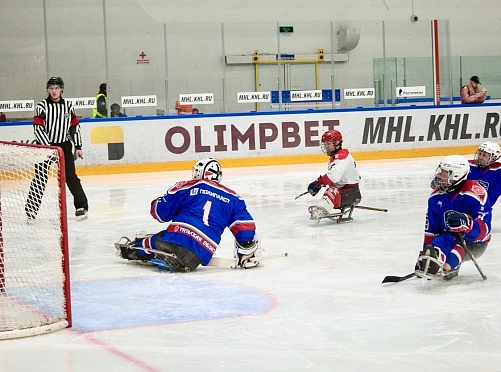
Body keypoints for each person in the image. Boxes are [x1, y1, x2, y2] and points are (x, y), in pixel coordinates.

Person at [116, 158, 260, 272]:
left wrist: (156, 203)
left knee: (156, 239)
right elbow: (245, 231)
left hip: (174, 238)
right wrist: (246, 250)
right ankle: (179, 253)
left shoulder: (186, 186)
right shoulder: (234, 198)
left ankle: (132, 249)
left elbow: (160, 214)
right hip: (201, 253)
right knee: (176, 243)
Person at [415, 155, 491, 280]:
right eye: (440, 170)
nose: (439, 175)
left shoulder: (475, 193)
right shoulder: (435, 197)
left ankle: (448, 265)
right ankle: (434, 259)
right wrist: (425, 253)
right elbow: (432, 231)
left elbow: (485, 231)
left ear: (456, 175)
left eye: (445, 173)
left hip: (476, 243)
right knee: (442, 241)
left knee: (458, 244)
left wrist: (468, 224)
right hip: (449, 238)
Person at [25, 77, 89, 221]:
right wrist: (48, 147)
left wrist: (78, 146)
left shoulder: (68, 106)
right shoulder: (41, 106)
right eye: (51, 88)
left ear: (61, 89)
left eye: (56, 88)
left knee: (71, 177)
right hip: (45, 146)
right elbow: (38, 128)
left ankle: (81, 206)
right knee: (40, 177)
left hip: (64, 145)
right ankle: (31, 210)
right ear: (48, 89)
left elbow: (74, 127)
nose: (54, 91)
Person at [307, 129, 362, 222]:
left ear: (337, 143)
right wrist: (320, 183)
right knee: (332, 188)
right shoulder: (337, 156)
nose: (326, 147)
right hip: (347, 192)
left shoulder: (341, 156)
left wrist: (319, 182)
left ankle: (321, 210)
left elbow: (333, 177)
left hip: (350, 194)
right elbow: (334, 179)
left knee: (332, 190)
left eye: (329, 144)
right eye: (325, 144)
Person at [467, 141, 501, 208]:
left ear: (494, 157)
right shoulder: (468, 166)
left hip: (483, 212)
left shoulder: (498, 171)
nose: (480, 157)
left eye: (484, 155)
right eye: (479, 153)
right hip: (462, 208)